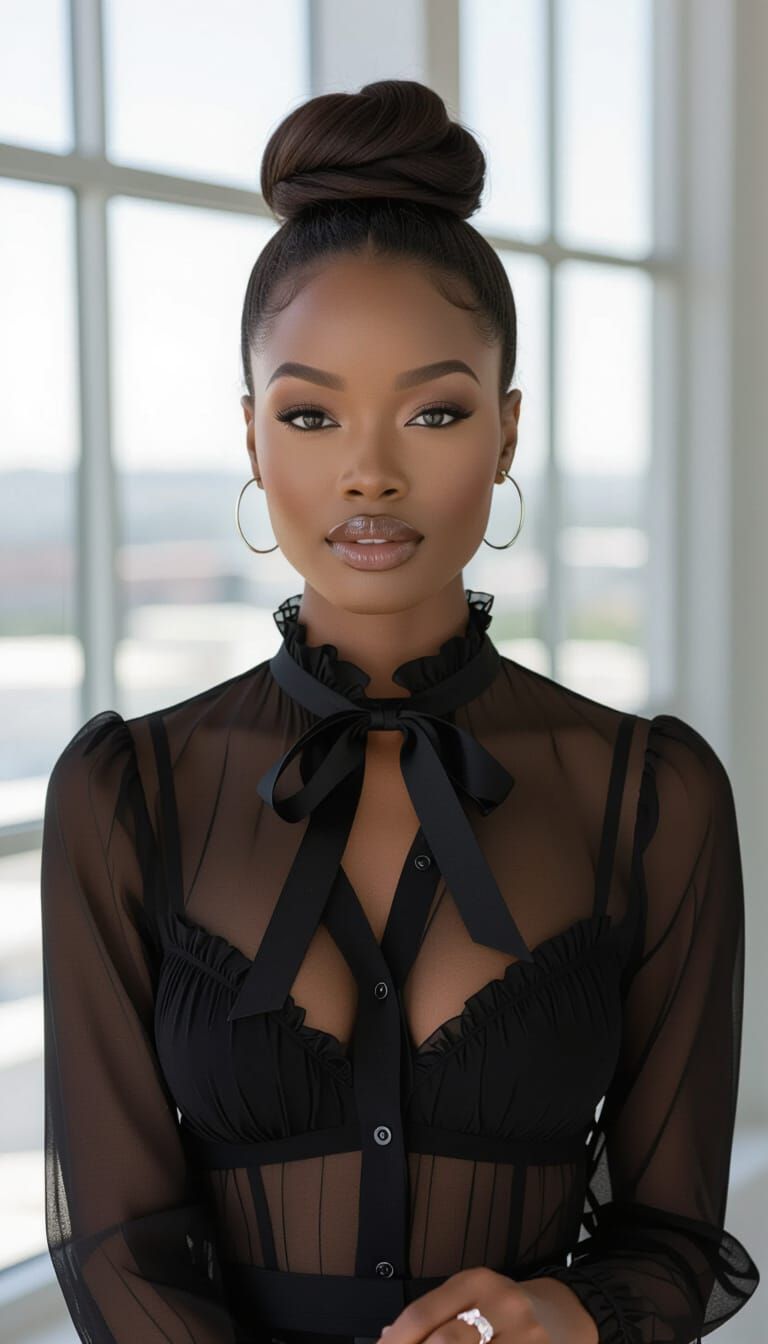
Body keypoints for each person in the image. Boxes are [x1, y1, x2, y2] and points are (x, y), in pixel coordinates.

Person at [41, 79, 760, 1344]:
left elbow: (675, 1241)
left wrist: (567, 1315)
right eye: (310, 413)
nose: (369, 468)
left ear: (507, 432)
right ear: (254, 442)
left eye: (434, 410)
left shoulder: (652, 796)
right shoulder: (126, 795)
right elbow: (115, 1247)